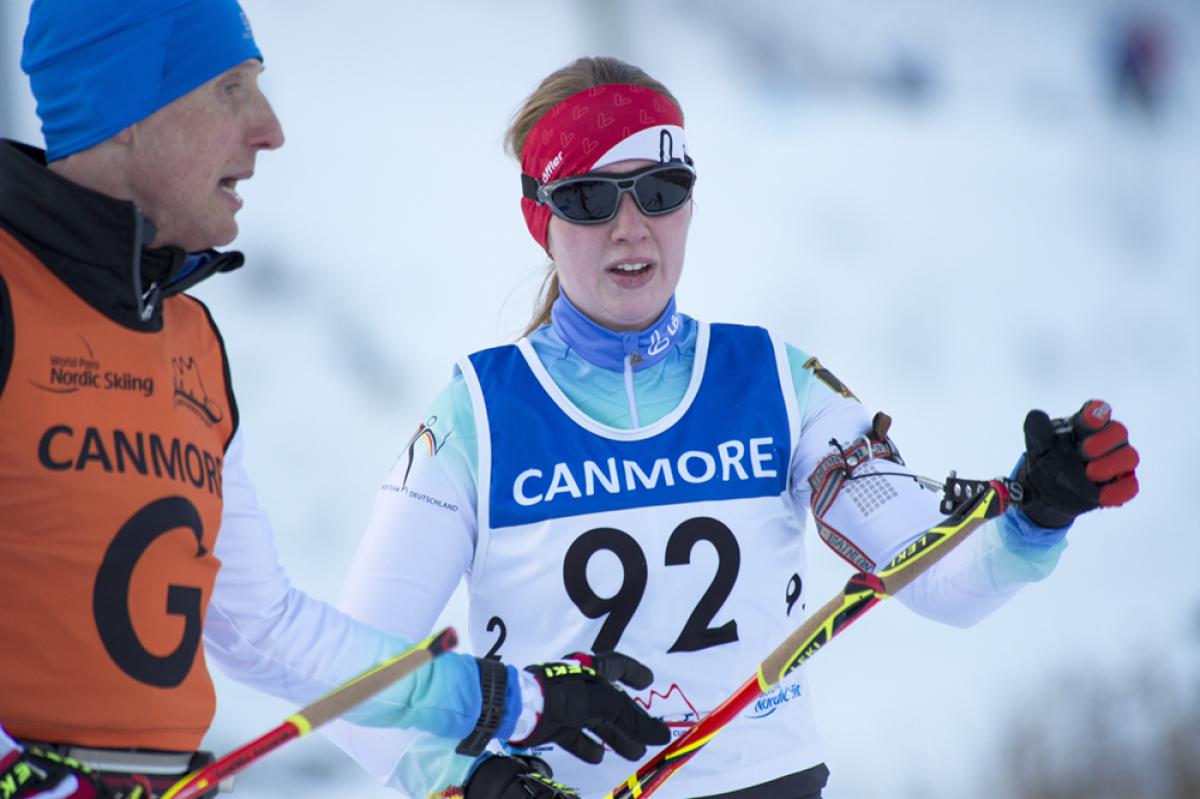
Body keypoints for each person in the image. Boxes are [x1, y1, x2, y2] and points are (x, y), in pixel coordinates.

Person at [331, 56, 1141, 799]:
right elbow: (346, 684)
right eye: (587, 197)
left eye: (660, 189)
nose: (629, 226)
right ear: (538, 217)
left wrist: (1038, 513)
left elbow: (939, 580)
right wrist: (469, 782)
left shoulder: (775, 384)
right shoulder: (480, 413)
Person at [0, 7, 668, 798]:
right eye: (230, 89)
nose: (269, 128)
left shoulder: (186, 338)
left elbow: (267, 631)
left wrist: (514, 701)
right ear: (128, 113)